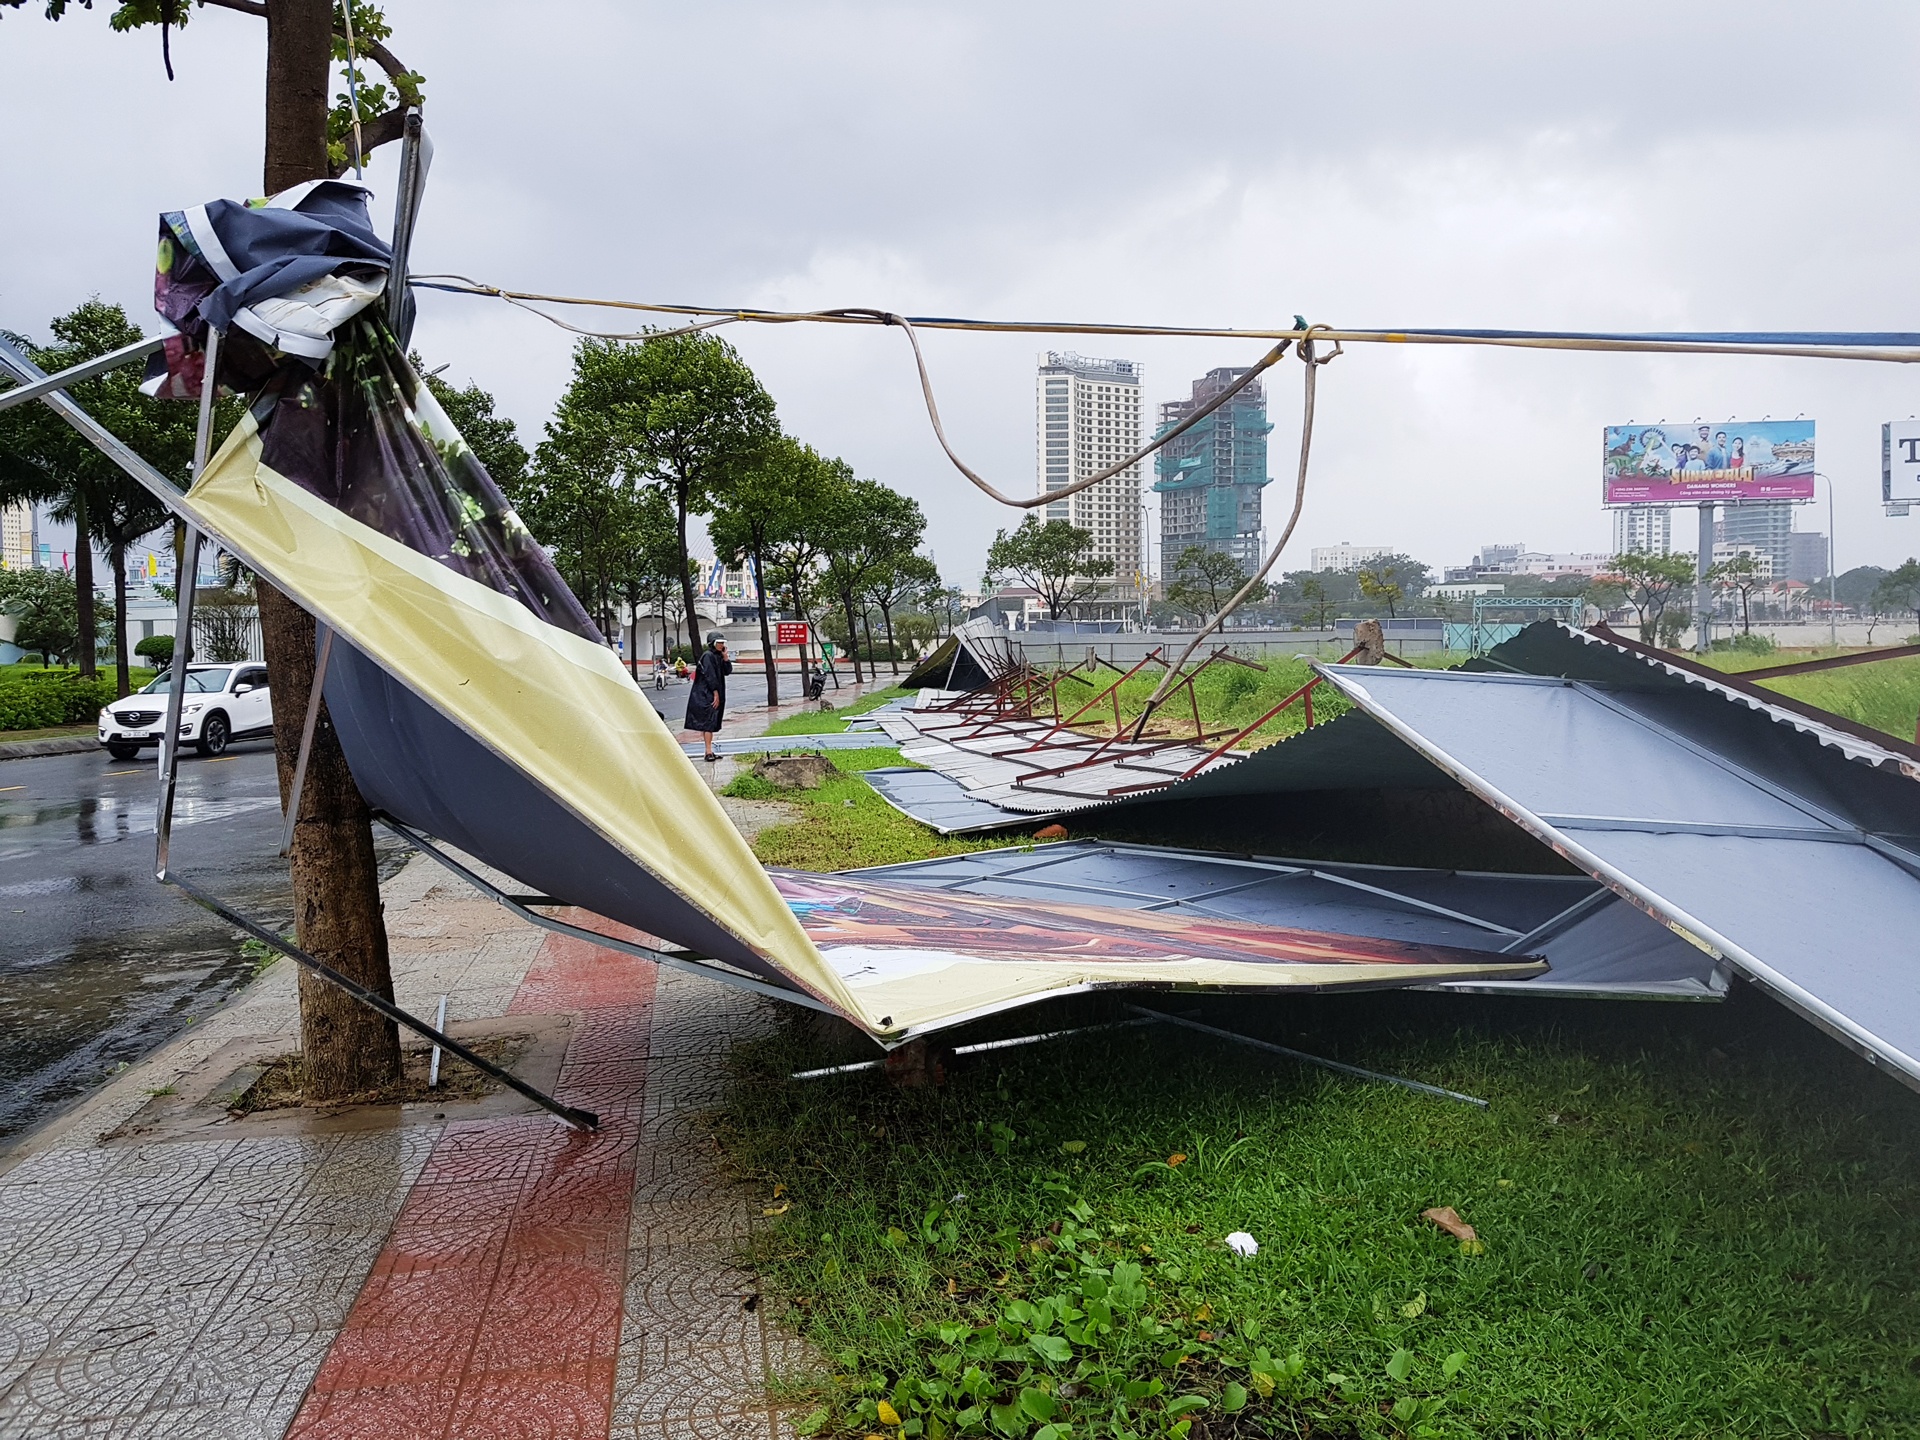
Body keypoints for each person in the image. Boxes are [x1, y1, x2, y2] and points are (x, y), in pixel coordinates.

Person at [684, 632, 732, 761]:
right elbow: (710, 676)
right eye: (719, 643)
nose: (722, 645)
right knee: (708, 723)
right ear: (713, 643)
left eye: (723, 643)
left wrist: (726, 658)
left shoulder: (718, 656)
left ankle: (709, 751)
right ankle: (708, 752)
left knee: (712, 721)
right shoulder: (708, 656)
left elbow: (727, 671)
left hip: (715, 692)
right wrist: (715, 693)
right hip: (706, 693)